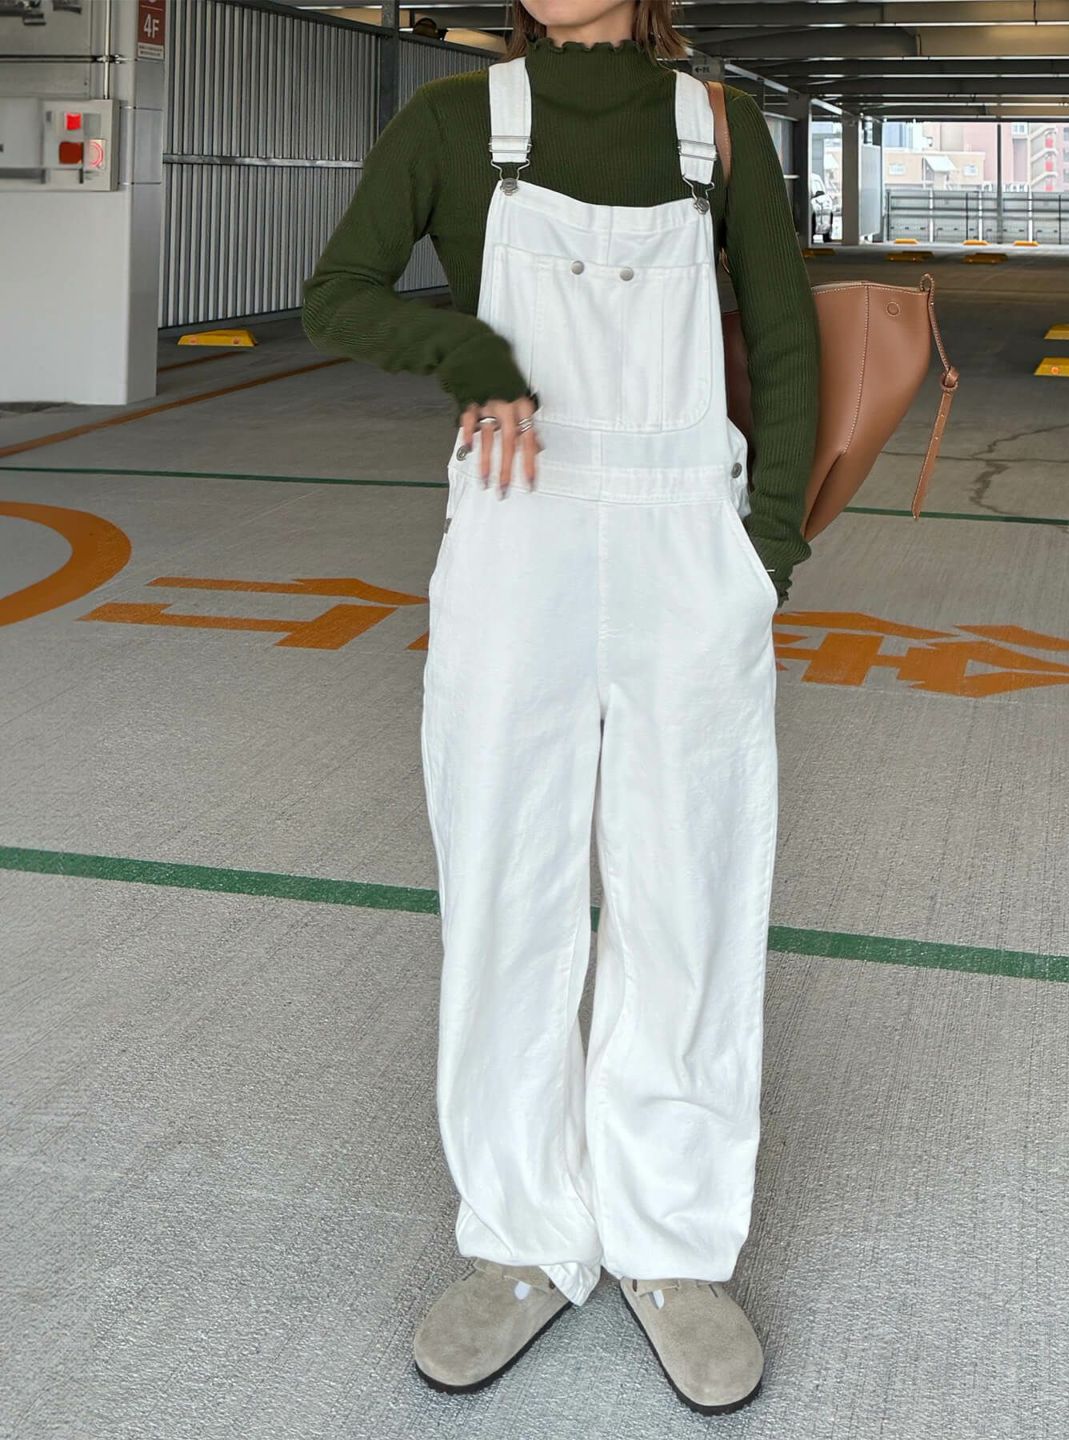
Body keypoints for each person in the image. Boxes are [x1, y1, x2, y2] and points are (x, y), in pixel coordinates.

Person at [302, 0, 819, 1416]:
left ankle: (673, 1244)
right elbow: (338, 291)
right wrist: (474, 359)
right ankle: (521, 1237)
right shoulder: (455, 122)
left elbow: (786, 342)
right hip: (516, 534)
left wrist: (764, 550)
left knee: (689, 885)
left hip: (687, 546)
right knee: (506, 882)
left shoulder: (718, 129)